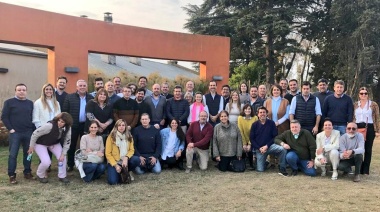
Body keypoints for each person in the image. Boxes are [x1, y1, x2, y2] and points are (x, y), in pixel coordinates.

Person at [1, 83, 35, 184]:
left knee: (29, 153)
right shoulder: (9, 102)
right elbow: (4, 117)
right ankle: (12, 175)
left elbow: (32, 117)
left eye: (23, 90)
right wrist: (10, 129)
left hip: (28, 132)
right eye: (19, 90)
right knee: (13, 154)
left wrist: (33, 131)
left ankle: (27, 172)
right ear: (15, 91)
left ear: (26, 91)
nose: (21, 92)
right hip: (15, 133)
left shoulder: (30, 103)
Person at [27, 112, 72, 183]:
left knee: (63, 158)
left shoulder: (68, 129)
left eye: (62, 122)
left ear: (66, 123)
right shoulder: (49, 126)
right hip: (40, 143)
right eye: (59, 120)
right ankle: (40, 175)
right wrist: (31, 146)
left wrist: (63, 154)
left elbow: (67, 142)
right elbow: (35, 134)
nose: (59, 123)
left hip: (54, 143)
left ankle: (62, 176)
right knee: (46, 162)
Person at [62, 79, 93, 171]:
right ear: (77, 87)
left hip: (86, 125)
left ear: (86, 87)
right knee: (72, 145)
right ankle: (70, 164)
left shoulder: (91, 98)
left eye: (84, 85)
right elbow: (65, 112)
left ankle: (84, 164)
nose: (82, 87)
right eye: (80, 86)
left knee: (85, 146)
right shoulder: (69, 97)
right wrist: (67, 124)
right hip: (73, 125)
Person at [250, 106, 288, 176]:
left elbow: (275, 137)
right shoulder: (254, 125)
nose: (262, 114)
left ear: (267, 114)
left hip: (270, 146)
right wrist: (259, 148)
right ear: (258, 114)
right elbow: (252, 139)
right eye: (260, 112)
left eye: (264, 112)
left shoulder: (271, 123)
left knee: (283, 149)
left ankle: (282, 167)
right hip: (260, 149)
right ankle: (266, 163)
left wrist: (267, 146)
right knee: (260, 170)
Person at [353, 87, 380, 175]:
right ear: (359, 95)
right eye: (361, 93)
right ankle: (359, 168)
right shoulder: (355, 104)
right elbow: (353, 117)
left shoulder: (373, 104)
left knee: (368, 149)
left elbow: (377, 118)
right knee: (359, 148)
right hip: (357, 128)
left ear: (368, 94)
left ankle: (365, 170)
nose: (363, 95)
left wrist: (377, 130)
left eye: (365, 93)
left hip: (370, 127)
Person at [105, 119, 140, 185]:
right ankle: (120, 173)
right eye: (119, 125)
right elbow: (108, 153)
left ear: (125, 127)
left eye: (123, 125)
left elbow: (131, 150)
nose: (121, 127)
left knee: (136, 159)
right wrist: (116, 165)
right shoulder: (111, 137)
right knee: (113, 182)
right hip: (115, 161)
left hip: (125, 160)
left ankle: (128, 171)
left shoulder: (129, 136)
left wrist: (126, 158)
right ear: (116, 127)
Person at [237, 104, 258, 169]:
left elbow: (254, 132)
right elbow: (240, 131)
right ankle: (243, 165)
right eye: (246, 109)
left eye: (249, 109)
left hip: (252, 139)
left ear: (251, 110)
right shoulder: (240, 118)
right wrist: (244, 143)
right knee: (243, 149)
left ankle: (251, 164)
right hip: (243, 138)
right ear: (243, 110)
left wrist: (249, 143)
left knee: (250, 150)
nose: (247, 110)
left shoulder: (255, 118)